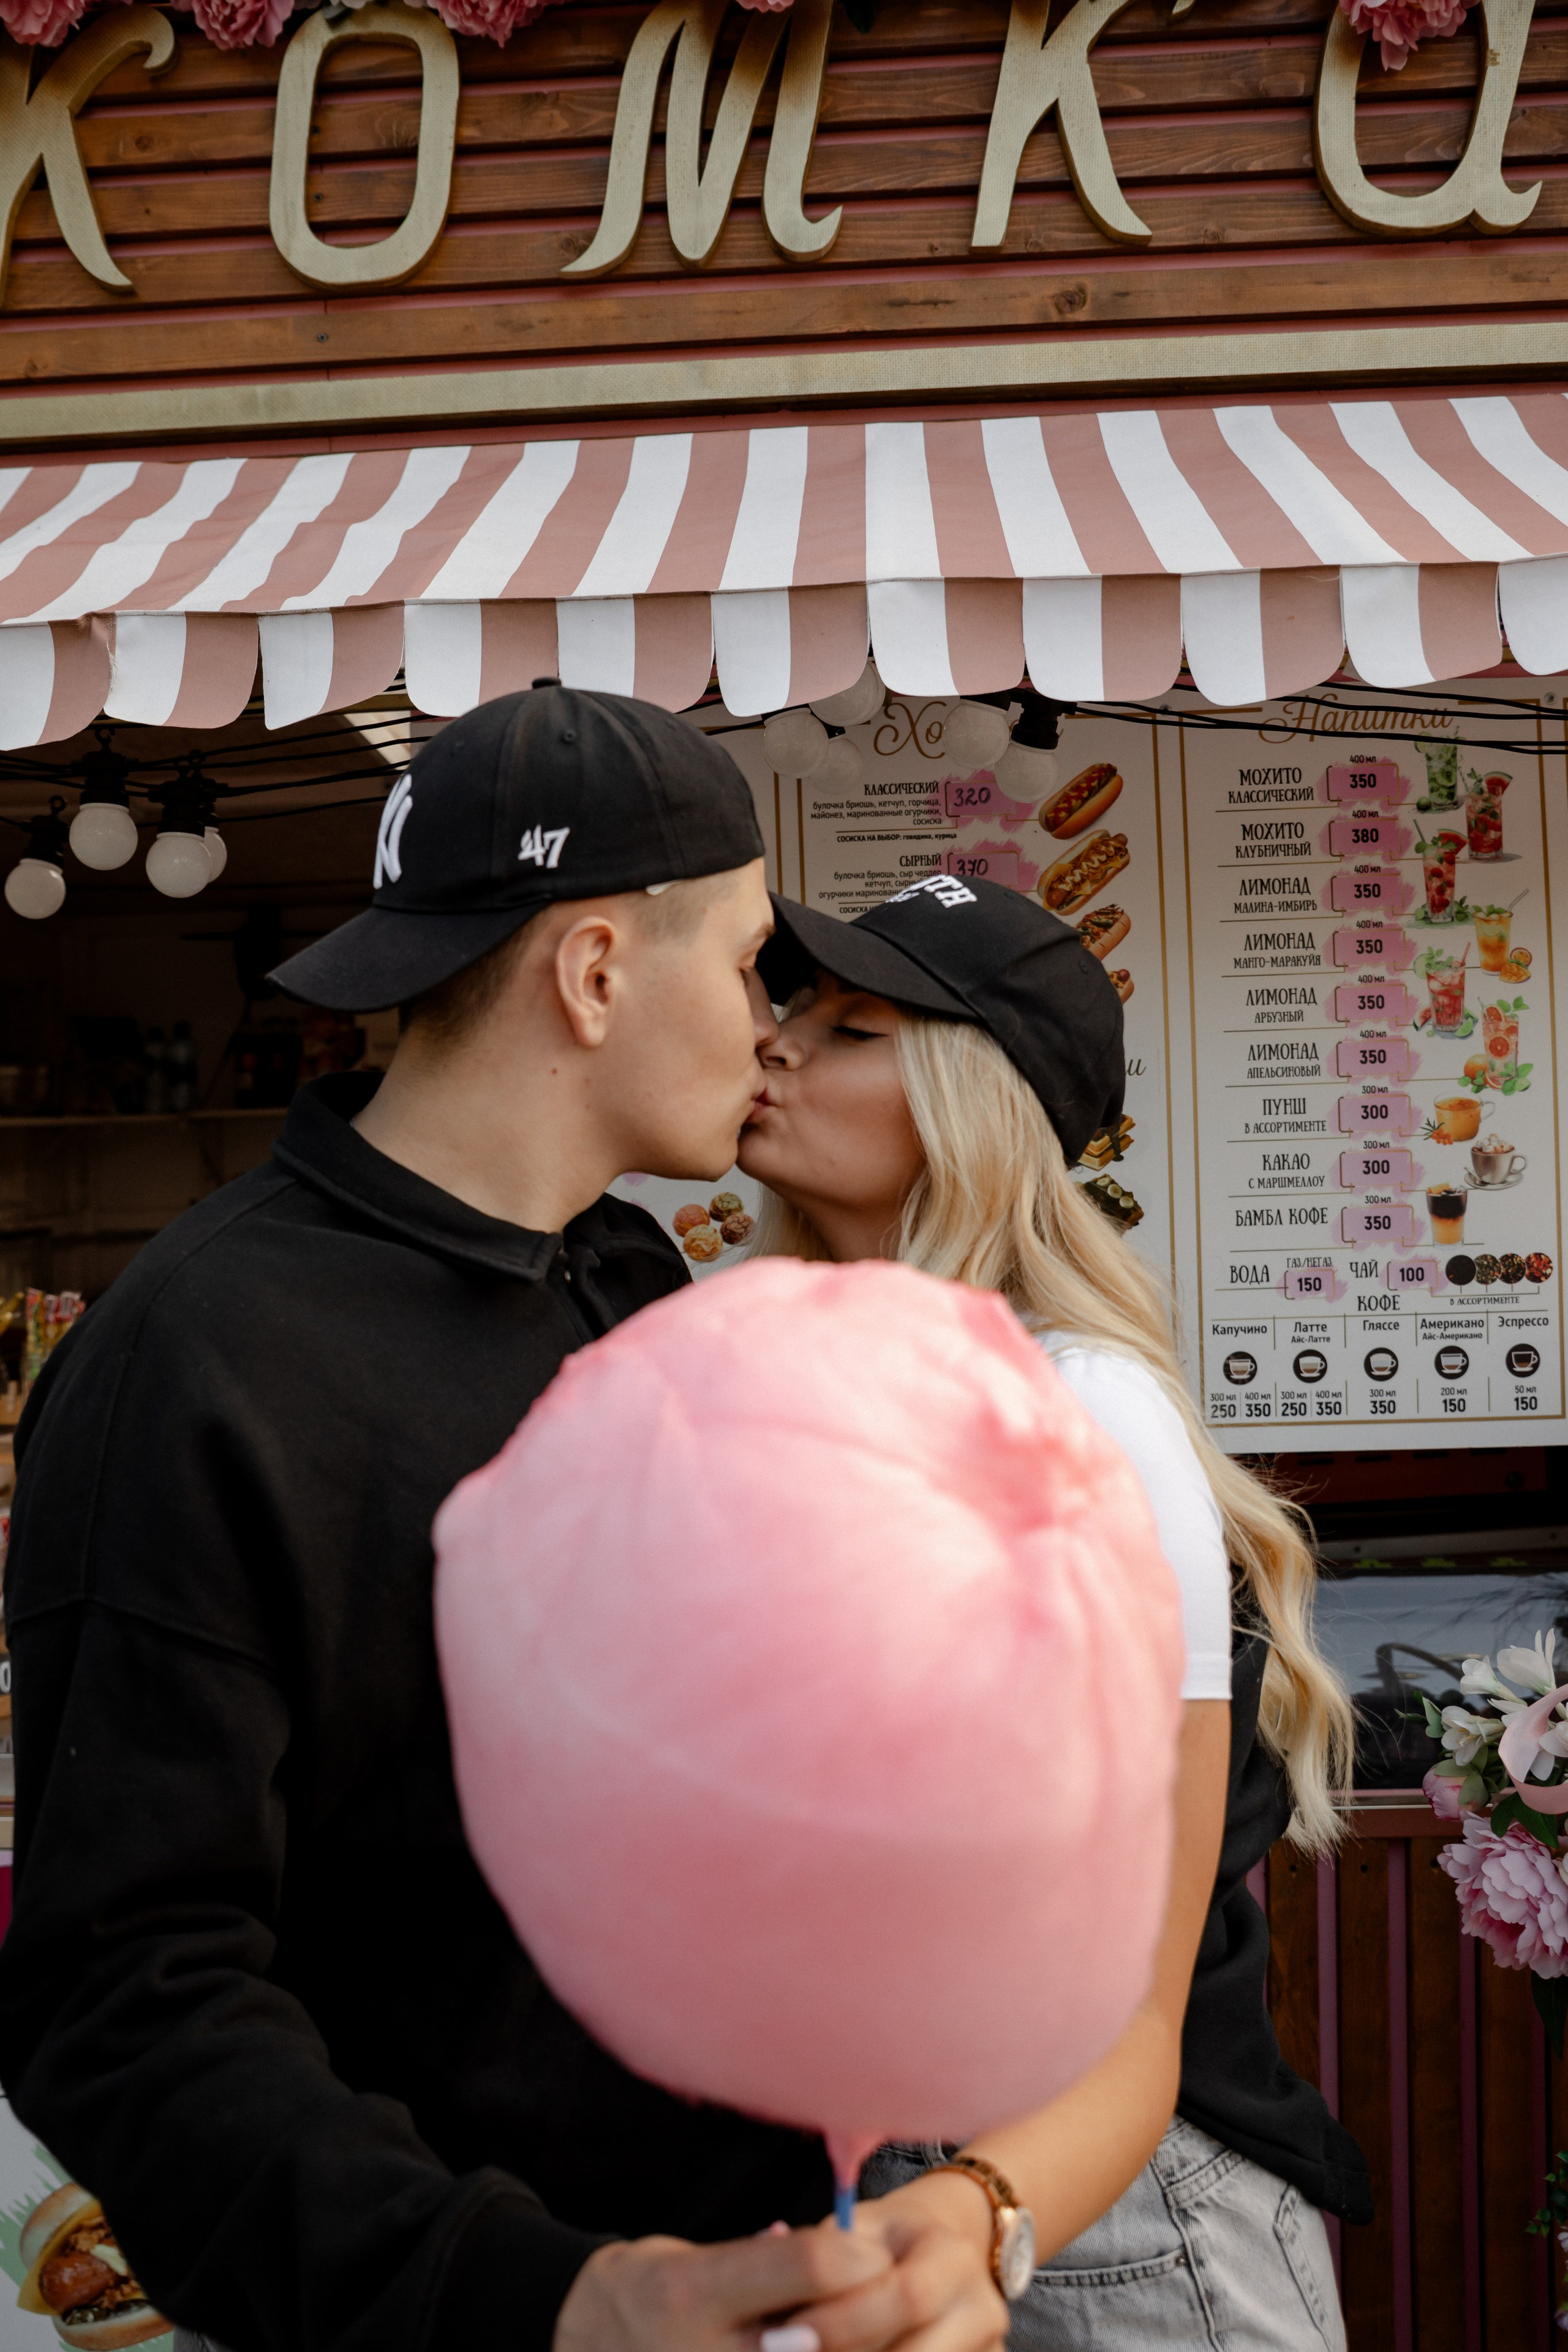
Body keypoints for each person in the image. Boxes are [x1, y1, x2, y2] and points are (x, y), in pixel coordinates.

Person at [0, 691, 1006, 2352]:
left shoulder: (628, 1278)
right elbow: (124, 1999)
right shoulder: (193, 1366)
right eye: (753, 960)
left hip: (775, 2271)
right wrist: (555, 2298)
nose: (772, 1026)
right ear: (597, 970)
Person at [736, 872, 1370, 2352]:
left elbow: (1119, 1995)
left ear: (974, 1102)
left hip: (1116, 2218)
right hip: (898, 2194)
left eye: (849, 1026)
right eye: (785, 1006)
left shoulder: (1073, 1402)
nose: (773, 1044)